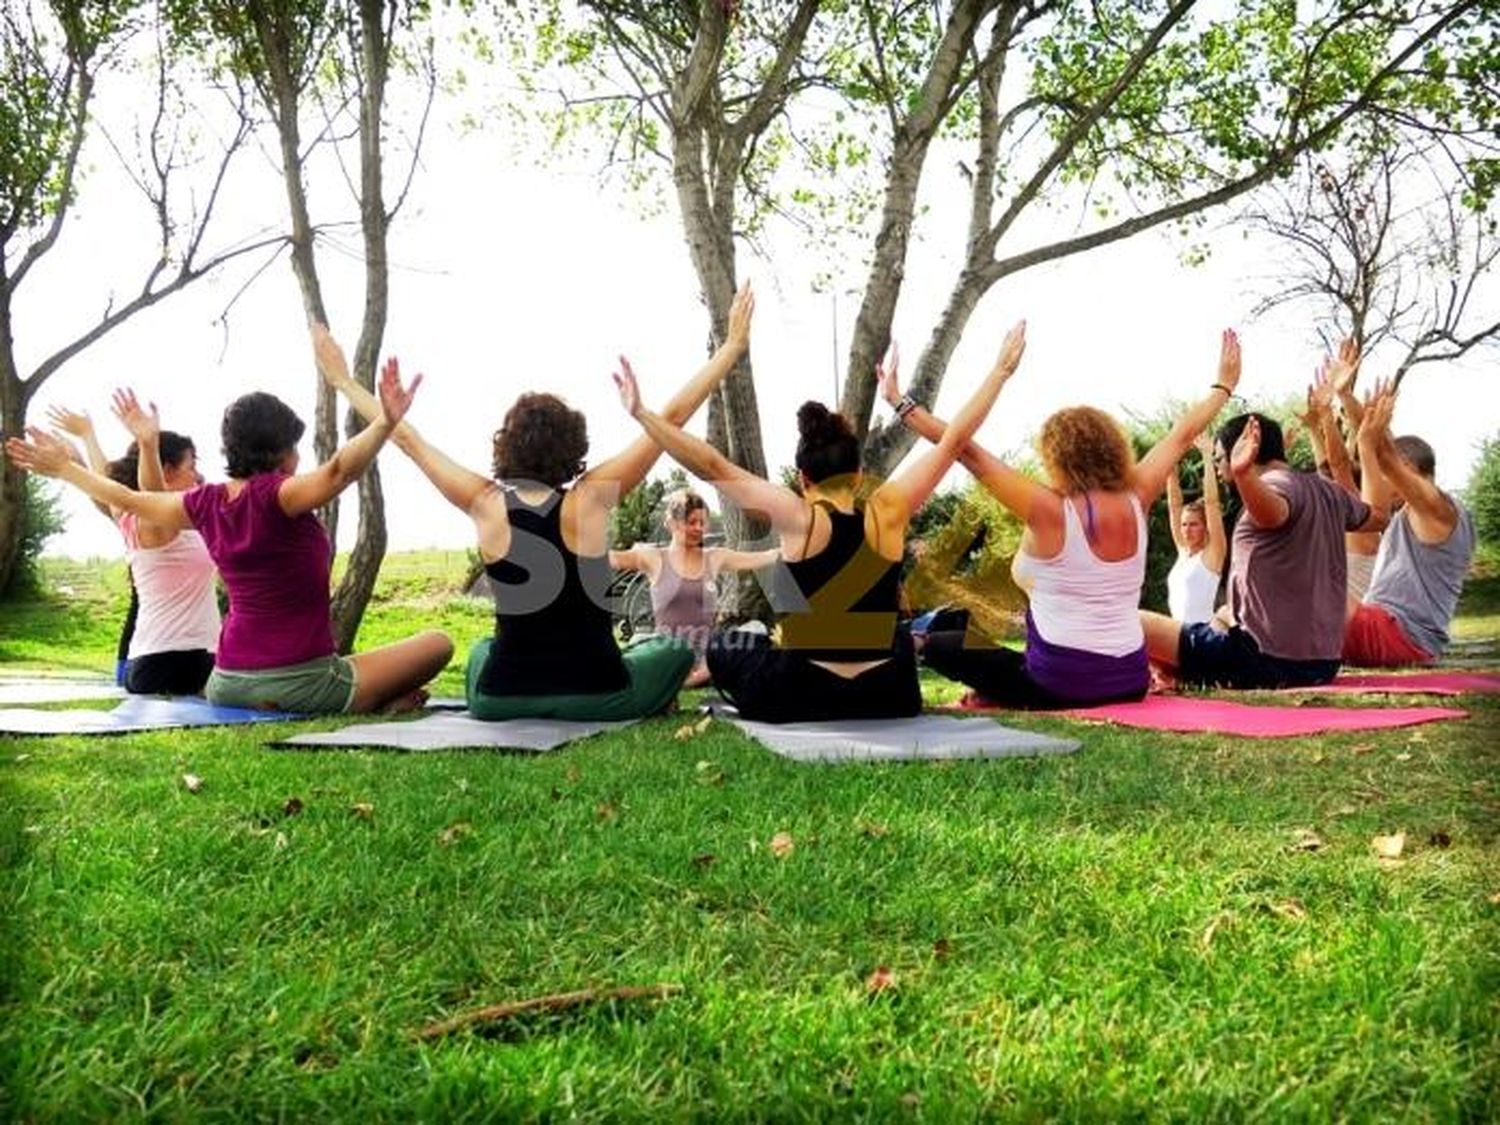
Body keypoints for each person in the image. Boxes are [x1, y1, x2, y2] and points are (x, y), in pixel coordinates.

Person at [311, 287, 762, 721]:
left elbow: (405, 438)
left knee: (483, 652)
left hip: (501, 702)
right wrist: (731, 347)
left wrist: (342, 381)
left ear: (506, 447)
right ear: (573, 446)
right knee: (674, 649)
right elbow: (672, 419)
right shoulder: (589, 499)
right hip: (600, 696)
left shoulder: (483, 502)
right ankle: (650, 696)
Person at [612, 319, 1029, 723]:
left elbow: (711, 463)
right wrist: (1000, 372)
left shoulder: (799, 518)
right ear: (859, 475)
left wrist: (643, 415)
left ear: (804, 479)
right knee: (899, 640)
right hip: (888, 693)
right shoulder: (888, 510)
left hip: (801, 692)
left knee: (726, 647)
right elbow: (955, 440)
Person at [7, 362, 451, 714]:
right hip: (298, 681)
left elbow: (128, 497)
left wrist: (67, 469)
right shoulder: (280, 493)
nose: (299, 457)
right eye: (294, 447)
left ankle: (376, 700)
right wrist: (386, 422)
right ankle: (366, 702)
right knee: (438, 644)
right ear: (279, 451)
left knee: (359, 667)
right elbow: (338, 470)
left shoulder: (205, 503)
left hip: (226, 682)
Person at [888, 331, 1243, 709]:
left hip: (1059, 686)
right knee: (969, 636)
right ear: (1113, 447)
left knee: (940, 637)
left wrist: (900, 402)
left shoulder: (1049, 509)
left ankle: (976, 688)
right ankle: (993, 692)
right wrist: (1223, 387)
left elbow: (966, 451)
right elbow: (1182, 435)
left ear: (1054, 456)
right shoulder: (1136, 495)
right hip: (1129, 680)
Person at [1140, 386, 1390, 690]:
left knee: (1127, 620)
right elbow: (1379, 515)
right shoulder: (1327, 491)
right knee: (1220, 616)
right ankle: (1177, 673)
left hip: (1262, 662)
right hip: (1322, 664)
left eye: (1219, 458)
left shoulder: (1275, 486)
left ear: (1245, 451)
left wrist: (1244, 476)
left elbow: (1274, 512)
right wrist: (1367, 446)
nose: (1220, 469)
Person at [46, 391, 221, 695]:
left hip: (193, 658)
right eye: (191, 466)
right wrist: (148, 445)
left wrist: (87, 439)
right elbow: (152, 496)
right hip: (168, 664)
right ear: (167, 471)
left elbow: (106, 485)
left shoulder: (182, 521)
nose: (198, 475)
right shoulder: (151, 522)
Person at [1343, 382, 1476, 666]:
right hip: (1386, 631)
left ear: (1409, 471)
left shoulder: (1437, 510)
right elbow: (1381, 443)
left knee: (1307, 586)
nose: (1375, 481)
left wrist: (1369, 446)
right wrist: (1345, 395)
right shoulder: (1411, 511)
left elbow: (1386, 454)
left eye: (1382, 474)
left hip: (1399, 637)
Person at [607, 487, 779, 688]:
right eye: (691, 522)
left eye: (702, 523)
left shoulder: (714, 557)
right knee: (639, 644)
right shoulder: (653, 557)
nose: (699, 528)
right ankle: (689, 677)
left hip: (707, 655)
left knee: (755, 630)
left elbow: (765, 557)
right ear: (671, 523)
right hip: (668, 654)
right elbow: (607, 558)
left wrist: (794, 547)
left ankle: (695, 677)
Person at [1164, 432, 1226, 624]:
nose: (1186, 530)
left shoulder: (1213, 554)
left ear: (1206, 527)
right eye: (1184, 525)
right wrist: (1171, 469)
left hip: (1202, 640)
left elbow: (1211, 503)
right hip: (1177, 637)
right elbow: (1174, 505)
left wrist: (1207, 456)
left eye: (1193, 524)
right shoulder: (1183, 552)